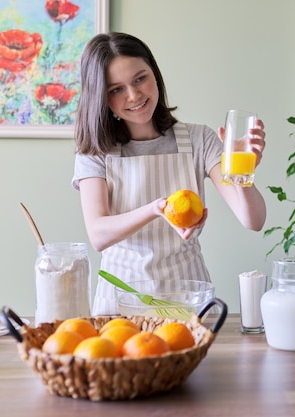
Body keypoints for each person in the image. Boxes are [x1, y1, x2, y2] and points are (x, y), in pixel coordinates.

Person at [72, 32, 267, 315]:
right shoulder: (95, 151)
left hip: (189, 299)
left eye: (140, 79)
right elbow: (99, 234)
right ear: (101, 97)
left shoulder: (200, 140)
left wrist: (244, 173)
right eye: (117, 89)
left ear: (155, 74)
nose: (134, 95)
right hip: (121, 304)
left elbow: (254, 220)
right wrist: (156, 209)